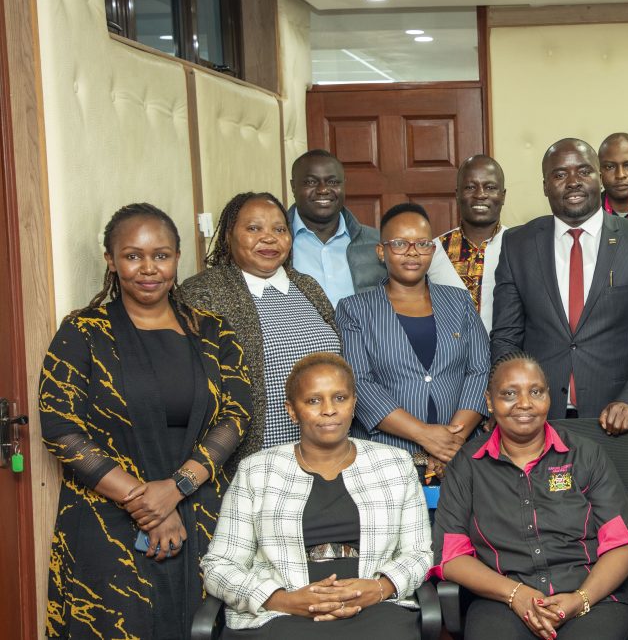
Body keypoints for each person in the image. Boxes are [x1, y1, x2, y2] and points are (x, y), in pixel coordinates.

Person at [39, 203, 252, 639]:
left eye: (161, 255)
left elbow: (236, 414)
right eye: (133, 256)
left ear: (177, 258)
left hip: (201, 510)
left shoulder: (213, 331)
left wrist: (176, 489)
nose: (149, 268)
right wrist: (146, 504)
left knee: (203, 624)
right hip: (106, 515)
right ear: (111, 261)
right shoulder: (83, 331)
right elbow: (60, 427)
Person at [202, 353, 432, 639]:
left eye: (340, 398)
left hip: (376, 608)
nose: (329, 410)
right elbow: (219, 566)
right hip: (282, 615)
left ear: (353, 403)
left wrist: (379, 588)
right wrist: (282, 600)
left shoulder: (395, 463)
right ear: (292, 410)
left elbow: (419, 553)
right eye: (313, 401)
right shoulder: (257, 471)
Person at [491, 138, 628, 464]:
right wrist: (513, 403)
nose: (573, 182)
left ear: (599, 177)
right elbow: (506, 337)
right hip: (537, 427)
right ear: (545, 186)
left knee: (621, 502)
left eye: (583, 171)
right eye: (559, 174)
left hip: (618, 423)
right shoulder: (517, 244)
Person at [432, 353, 628, 640]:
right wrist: (515, 594)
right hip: (501, 602)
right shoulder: (467, 465)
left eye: (536, 392)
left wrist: (580, 599)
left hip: (593, 598)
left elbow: (624, 545)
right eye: (509, 393)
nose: (524, 403)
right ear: (489, 402)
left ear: (548, 397)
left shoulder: (586, 454)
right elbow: (451, 555)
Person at [179, 192, 341, 464]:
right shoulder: (203, 293)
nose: (269, 238)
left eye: (279, 229)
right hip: (253, 462)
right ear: (229, 236)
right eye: (254, 228)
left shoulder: (307, 286)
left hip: (326, 455)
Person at [337, 202, 489, 478]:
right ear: (381, 251)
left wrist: (450, 443)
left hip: (459, 457)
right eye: (399, 243)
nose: (412, 252)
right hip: (385, 461)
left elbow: (479, 370)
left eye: (422, 243)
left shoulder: (459, 301)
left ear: (432, 249)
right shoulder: (354, 309)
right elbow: (359, 382)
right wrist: (425, 435)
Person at [288, 149, 386, 307]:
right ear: (293, 186)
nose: (323, 190)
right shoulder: (275, 245)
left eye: (333, 182)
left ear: (344, 184)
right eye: (311, 182)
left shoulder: (377, 243)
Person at [429, 154, 509, 333]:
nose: (480, 194)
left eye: (490, 187)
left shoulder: (519, 247)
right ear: (457, 195)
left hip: (507, 350)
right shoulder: (433, 251)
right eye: (470, 187)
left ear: (503, 196)